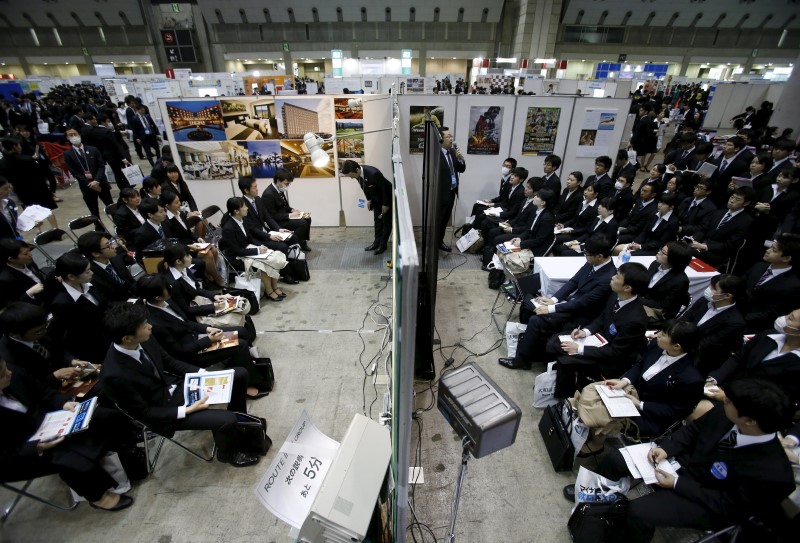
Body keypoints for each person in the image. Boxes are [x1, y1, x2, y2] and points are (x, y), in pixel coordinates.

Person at [565, 378, 795, 543]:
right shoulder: (726, 414)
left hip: (705, 499)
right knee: (616, 459)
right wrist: (666, 448)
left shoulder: (773, 474)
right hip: (681, 464)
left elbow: (727, 505)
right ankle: (591, 499)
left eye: (728, 402)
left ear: (750, 421)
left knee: (639, 512)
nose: (723, 400)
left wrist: (676, 484)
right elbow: (692, 432)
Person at [100, 303, 260, 467]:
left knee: (238, 374)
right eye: (144, 326)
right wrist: (186, 410)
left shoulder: (144, 339)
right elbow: (144, 413)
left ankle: (238, 425)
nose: (150, 327)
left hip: (177, 388)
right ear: (127, 338)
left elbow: (170, 362)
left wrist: (205, 374)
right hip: (164, 413)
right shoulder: (114, 375)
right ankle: (229, 454)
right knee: (226, 419)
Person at [0, 358, 135, 511]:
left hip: (44, 421)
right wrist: (37, 446)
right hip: (16, 452)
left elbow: (41, 391)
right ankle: (99, 497)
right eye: (3, 374)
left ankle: (129, 458)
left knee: (103, 417)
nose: (9, 373)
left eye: (6, 368)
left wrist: (63, 403)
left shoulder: (11, 372)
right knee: (65, 455)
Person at [498, 235, 616, 370]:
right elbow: (573, 282)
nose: (585, 257)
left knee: (537, 320)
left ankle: (523, 360)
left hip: (581, 314)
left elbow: (583, 302)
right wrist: (553, 300)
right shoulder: (592, 262)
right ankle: (528, 344)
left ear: (600, 256)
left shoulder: (607, 278)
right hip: (571, 303)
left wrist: (552, 308)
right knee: (529, 302)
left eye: (587, 254)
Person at [581, 320, 704, 450]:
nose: (657, 335)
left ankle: (597, 444)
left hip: (651, 414)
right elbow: (640, 365)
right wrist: (625, 381)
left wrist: (640, 404)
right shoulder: (657, 346)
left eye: (663, 334)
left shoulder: (691, 379)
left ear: (677, 346)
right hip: (634, 393)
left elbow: (674, 411)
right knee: (594, 392)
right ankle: (587, 428)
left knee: (602, 412)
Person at [550, 262, 650, 398]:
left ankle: (566, 399)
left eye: (617, 277)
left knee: (565, 360)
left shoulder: (635, 320)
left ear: (627, 287)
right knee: (555, 342)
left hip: (611, 359)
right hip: (598, 340)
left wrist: (579, 349)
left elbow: (615, 352)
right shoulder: (615, 296)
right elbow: (602, 318)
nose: (612, 278)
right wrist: (585, 331)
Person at [0, 302, 96, 391]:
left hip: (71, 379)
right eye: (38, 332)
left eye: (45, 327)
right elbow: (28, 387)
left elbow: (59, 349)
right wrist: (55, 376)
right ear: (15, 334)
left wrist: (71, 360)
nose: (44, 332)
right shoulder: (8, 358)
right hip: (50, 392)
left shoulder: (41, 330)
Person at [220, 197, 287, 302]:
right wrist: (257, 251)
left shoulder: (243, 220)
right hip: (237, 257)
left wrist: (260, 246)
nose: (247, 208)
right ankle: (269, 291)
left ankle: (274, 287)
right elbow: (237, 251)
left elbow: (250, 238)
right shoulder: (228, 228)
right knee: (264, 265)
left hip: (247, 250)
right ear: (236, 211)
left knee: (274, 255)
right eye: (244, 206)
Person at [49, 252, 111, 364]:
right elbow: (62, 336)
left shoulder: (88, 283)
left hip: (110, 336)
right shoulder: (62, 303)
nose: (91, 273)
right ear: (71, 277)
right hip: (94, 351)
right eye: (87, 272)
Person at [683, 274, 747, 376]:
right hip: (683, 342)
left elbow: (707, 344)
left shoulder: (735, 322)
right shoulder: (705, 301)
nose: (709, 290)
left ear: (727, 295)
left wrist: (678, 341)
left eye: (713, 288)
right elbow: (686, 317)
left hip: (702, 358)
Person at [159, 190, 225, 288]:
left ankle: (208, 274)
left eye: (179, 201)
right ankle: (217, 279)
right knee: (208, 254)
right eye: (176, 202)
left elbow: (189, 232)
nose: (179, 204)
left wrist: (197, 238)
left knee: (214, 250)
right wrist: (189, 246)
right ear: (167, 205)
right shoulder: (167, 221)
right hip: (182, 249)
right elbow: (173, 242)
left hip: (192, 244)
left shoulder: (181, 214)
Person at [742, 234, 800, 333]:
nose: (768, 250)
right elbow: (738, 286)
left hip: (755, 325)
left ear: (786, 258)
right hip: (734, 312)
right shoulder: (758, 266)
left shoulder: (792, 285)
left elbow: (770, 313)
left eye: (774, 250)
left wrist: (741, 318)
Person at [0, 137, 59, 231]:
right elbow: (39, 174)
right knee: (47, 209)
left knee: (30, 212)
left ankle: (38, 232)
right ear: (15, 147)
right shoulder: (27, 159)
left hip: (21, 191)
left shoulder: (2, 162)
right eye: (19, 145)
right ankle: (55, 229)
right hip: (38, 188)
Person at [688, 187, 756, 267]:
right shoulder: (719, 212)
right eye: (732, 197)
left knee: (684, 252)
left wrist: (705, 246)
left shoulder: (746, 221)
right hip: (700, 245)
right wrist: (692, 239)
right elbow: (704, 229)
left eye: (737, 199)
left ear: (746, 203)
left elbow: (730, 245)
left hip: (717, 254)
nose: (732, 201)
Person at [340, 160, 393, 255]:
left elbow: (385, 188)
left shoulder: (374, 173)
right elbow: (363, 186)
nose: (351, 178)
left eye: (351, 175)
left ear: (356, 170)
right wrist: (369, 199)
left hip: (387, 197)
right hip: (376, 198)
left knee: (386, 223)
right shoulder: (357, 174)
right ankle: (376, 243)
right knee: (377, 221)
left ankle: (382, 245)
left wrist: (386, 204)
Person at [63, 127, 113, 219]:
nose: (74, 136)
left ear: (79, 135)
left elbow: (101, 166)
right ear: (67, 138)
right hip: (86, 186)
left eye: (75, 134)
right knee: (94, 211)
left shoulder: (93, 149)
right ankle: (100, 229)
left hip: (101, 182)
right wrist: (89, 184)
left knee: (110, 206)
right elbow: (74, 172)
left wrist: (96, 181)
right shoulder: (68, 154)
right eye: (70, 135)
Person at [640, 241, 692, 322]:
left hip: (659, 312)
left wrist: (638, 300)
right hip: (645, 301)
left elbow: (664, 305)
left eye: (663, 253)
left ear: (674, 259)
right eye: (661, 249)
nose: (658, 252)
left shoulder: (681, 281)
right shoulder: (655, 264)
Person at [261, 169, 312, 251]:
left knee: (307, 218)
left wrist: (292, 210)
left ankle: (302, 242)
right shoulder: (268, 194)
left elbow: (285, 205)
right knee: (302, 223)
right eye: (286, 183)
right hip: (277, 222)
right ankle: (293, 243)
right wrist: (290, 215)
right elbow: (271, 216)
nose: (287, 186)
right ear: (278, 181)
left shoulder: (279, 189)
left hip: (284, 217)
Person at [77, 231, 135, 303]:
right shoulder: (91, 275)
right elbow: (106, 302)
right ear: (96, 253)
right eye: (108, 246)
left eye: (111, 242)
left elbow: (130, 282)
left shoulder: (115, 257)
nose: (113, 247)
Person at [435, 127, 466, 252]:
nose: (451, 139)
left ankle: (439, 241)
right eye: (448, 136)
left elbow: (461, 169)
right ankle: (434, 241)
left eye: (451, 136)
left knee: (445, 220)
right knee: (438, 219)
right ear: (441, 139)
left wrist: (460, 158)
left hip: (452, 192)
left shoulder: (453, 152)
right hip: (440, 193)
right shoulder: (436, 154)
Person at [0, 239, 47, 307]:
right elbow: (11, 305)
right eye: (25, 254)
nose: (30, 255)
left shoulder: (29, 262)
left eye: (29, 251)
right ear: (11, 259)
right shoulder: (5, 280)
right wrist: (28, 294)